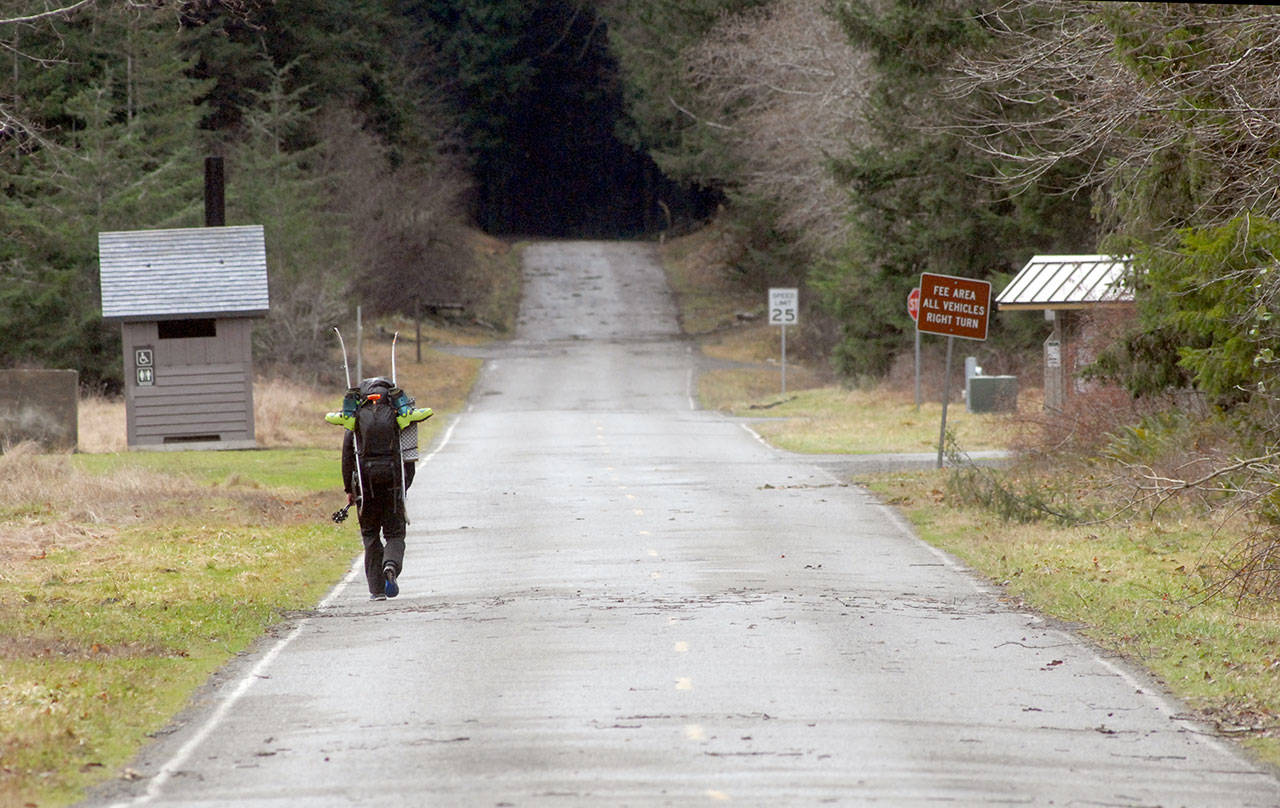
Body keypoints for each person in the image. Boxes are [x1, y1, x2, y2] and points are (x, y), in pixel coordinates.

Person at [327, 376, 432, 601]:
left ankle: (377, 590)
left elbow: (347, 459)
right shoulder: (397, 417)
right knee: (395, 533)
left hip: (365, 488)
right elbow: (408, 457)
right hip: (393, 485)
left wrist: (350, 490)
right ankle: (391, 566)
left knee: (370, 535)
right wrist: (404, 487)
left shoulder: (355, 421)